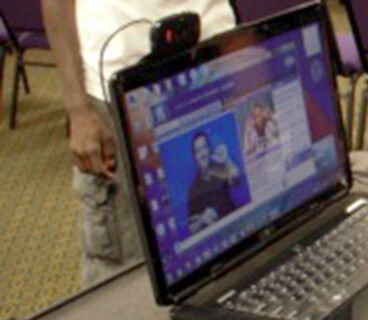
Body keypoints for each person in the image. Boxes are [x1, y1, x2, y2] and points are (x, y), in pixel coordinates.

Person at [43, 0, 235, 285]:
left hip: (209, 64)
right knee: (125, 269)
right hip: (117, 87)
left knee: (224, 243)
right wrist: (78, 109)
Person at [187, 131, 240, 233]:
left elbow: (236, 181)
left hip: (236, 226)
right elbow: (191, 228)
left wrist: (226, 160)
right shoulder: (193, 189)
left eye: (204, 148)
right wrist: (202, 219)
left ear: (209, 150)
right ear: (195, 157)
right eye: (198, 151)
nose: (202, 154)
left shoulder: (220, 169)